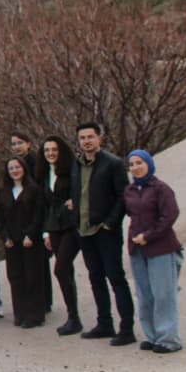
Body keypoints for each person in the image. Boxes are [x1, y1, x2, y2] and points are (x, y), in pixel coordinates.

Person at [69, 122, 136, 346]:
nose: (86, 141)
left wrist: (111, 223)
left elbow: (122, 195)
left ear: (100, 138)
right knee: (95, 277)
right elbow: (77, 192)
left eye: (90, 136)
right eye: (82, 138)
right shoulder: (76, 164)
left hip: (104, 230)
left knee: (115, 277)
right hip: (84, 230)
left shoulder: (113, 163)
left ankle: (127, 329)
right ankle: (104, 323)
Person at [124, 150, 182, 353]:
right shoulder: (130, 189)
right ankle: (152, 335)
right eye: (131, 164)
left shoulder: (161, 188)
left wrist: (148, 236)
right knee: (144, 294)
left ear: (149, 164)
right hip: (137, 249)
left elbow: (170, 216)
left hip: (161, 248)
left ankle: (168, 339)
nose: (135, 167)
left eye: (139, 162)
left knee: (163, 293)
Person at [0, 156, 47, 328]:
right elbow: (0, 219)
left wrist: (31, 235)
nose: (14, 171)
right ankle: (20, 313)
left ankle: (35, 315)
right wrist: (5, 237)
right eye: (11, 168)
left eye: (17, 167)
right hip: (12, 241)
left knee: (33, 277)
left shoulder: (34, 189)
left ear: (24, 168)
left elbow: (39, 215)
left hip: (30, 241)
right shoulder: (3, 192)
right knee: (16, 277)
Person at [39, 136, 81, 335]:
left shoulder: (72, 169)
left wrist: (76, 201)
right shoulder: (45, 172)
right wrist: (46, 232)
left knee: (61, 269)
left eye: (54, 149)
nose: (50, 153)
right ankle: (74, 317)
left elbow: (80, 191)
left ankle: (73, 317)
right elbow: (46, 205)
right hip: (54, 226)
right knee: (66, 272)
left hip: (71, 226)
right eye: (47, 150)